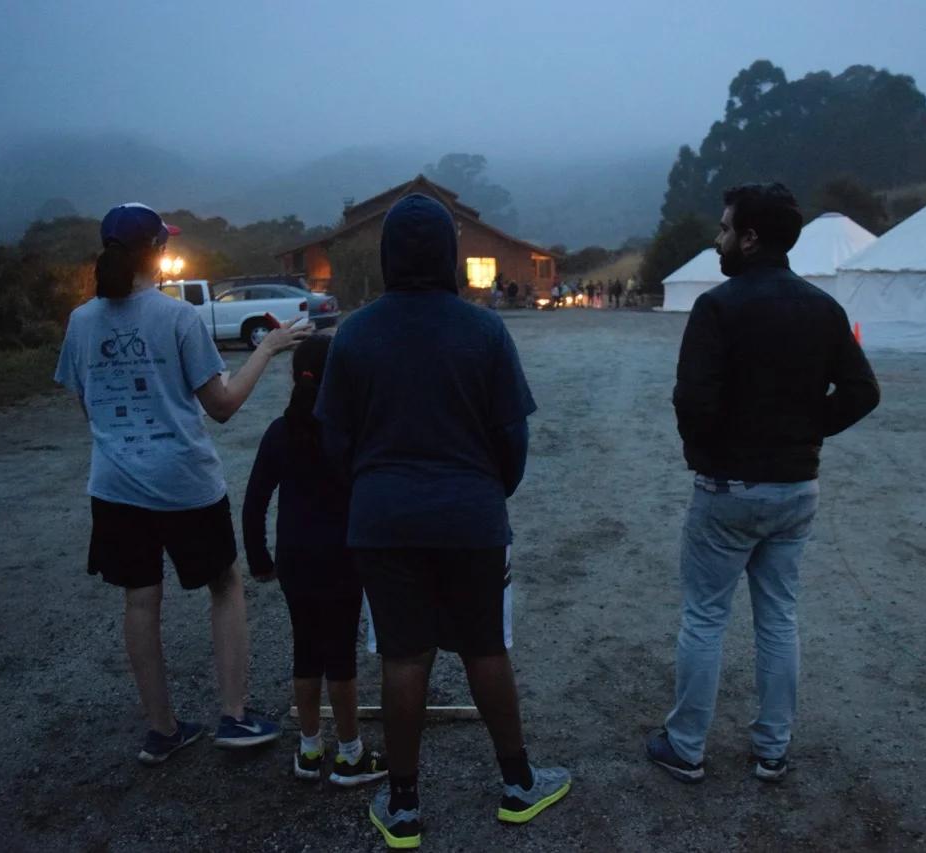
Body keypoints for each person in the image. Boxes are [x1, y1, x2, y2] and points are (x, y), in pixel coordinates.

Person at [316, 194, 569, 848]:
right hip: (471, 515)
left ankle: (402, 805)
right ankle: (518, 784)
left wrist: (375, 489)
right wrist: (488, 492)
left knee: (404, 655)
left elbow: (335, 443)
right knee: (486, 646)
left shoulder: (356, 333)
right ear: (451, 257)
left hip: (383, 518)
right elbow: (512, 437)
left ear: (388, 255)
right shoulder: (484, 330)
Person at [54, 202, 309, 765]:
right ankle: (235, 718)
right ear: (159, 251)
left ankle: (162, 729)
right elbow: (221, 406)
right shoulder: (177, 318)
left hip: (115, 485)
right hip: (185, 483)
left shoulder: (81, 321)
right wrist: (266, 350)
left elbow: (87, 404)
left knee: (141, 599)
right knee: (225, 584)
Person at [647, 183, 880, 784]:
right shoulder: (823, 308)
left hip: (729, 488)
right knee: (778, 618)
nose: (717, 238)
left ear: (749, 238)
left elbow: (692, 401)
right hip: (796, 488)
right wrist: (807, 432)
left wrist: (711, 450)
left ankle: (687, 746)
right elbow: (863, 391)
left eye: (724, 229)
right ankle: (772, 750)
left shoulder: (719, 306)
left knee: (705, 617)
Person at [242, 334, 390, 787]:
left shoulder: (279, 432)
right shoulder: (349, 433)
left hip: (294, 560)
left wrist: (259, 557)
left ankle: (308, 750)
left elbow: (254, 503)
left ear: (294, 376)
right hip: (343, 559)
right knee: (340, 656)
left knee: (305, 652)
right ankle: (350, 755)